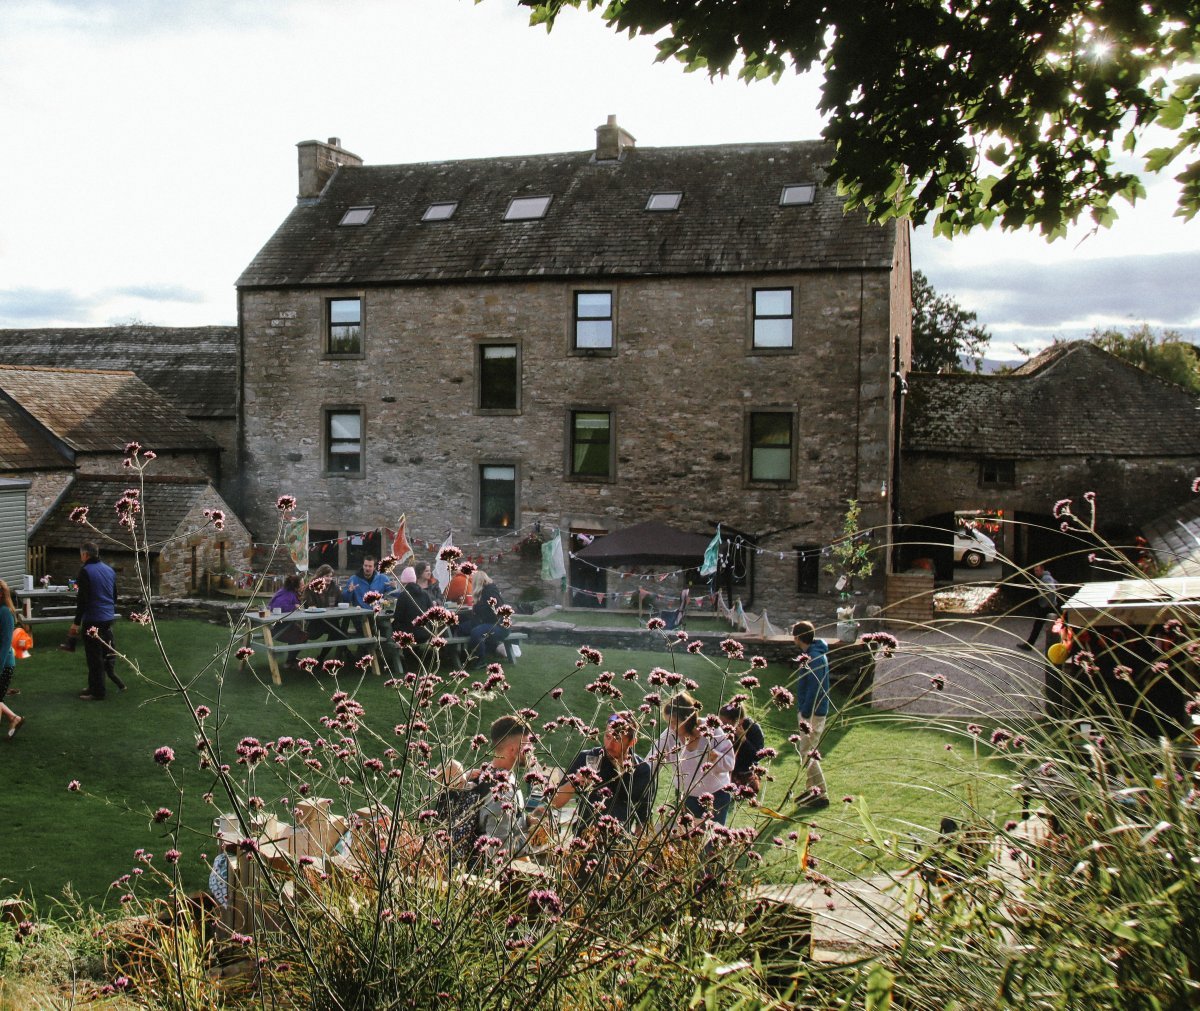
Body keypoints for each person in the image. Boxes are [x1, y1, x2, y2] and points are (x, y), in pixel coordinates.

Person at [550, 711, 656, 830]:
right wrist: (573, 783)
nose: (609, 745)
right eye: (607, 736)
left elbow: (643, 819)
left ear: (632, 742)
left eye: (617, 739)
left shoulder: (642, 770)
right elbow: (555, 803)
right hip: (583, 839)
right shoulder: (589, 758)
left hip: (619, 843)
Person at [648, 692, 735, 825]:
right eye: (668, 722)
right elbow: (651, 761)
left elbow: (730, 764)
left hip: (716, 795)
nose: (671, 727)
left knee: (710, 840)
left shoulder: (711, 730)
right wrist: (641, 778)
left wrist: (716, 757)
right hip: (686, 797)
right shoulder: (669, 735)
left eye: (673, 722)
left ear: (687, 718)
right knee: (686, 840)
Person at [473, 715, 534, 858]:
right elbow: (498, 851)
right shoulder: (502, 794)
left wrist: (528, 821)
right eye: (528, 744)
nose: (532, 749)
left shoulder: (487, 773)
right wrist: (534, 837)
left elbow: (510, 825)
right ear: (513, 750)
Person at [72, 541, 123, 701]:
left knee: (94, 656)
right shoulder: (109, 570)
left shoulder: (85, 571)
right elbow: (114, 595)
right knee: (101, 652)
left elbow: (83, 600)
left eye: (81, 554)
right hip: (108, 617)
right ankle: (94, 685)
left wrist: (76, 622)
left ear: (85, 555)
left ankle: (98, 692)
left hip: (93, 618)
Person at [792, 620, 830, 808]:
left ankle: (821, 793)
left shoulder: (814, 658)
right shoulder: (811, 655)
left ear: (798, 637)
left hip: (813, 713)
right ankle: (810, 790)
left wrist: (805, 713)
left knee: (808, 753)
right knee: (805, 751)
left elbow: (815, 688)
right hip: (810, 711)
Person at [342, 554, 401, 672]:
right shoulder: (354, 579)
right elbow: (345, 599)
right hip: (361, 617)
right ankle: (377, 657)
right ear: (362, 565)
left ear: (374, 567)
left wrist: (395, 587)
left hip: (378, 614)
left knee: (385, 624)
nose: (367, 568)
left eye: (370, 566)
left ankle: (392, 649)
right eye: (365, 565)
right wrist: (349, 591)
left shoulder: (383, 578)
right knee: (373, 631)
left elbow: (393, 596)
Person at [718, 702, 766, 798]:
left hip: (744, 769)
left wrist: (743, 740)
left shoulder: (753, 728)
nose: (722, 726)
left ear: (738, 720)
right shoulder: (721, 729)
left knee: (743, 788)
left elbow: (757, 756)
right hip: (725, 766)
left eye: (725, 723)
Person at [465, 571, 509, 666]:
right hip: (490, 622)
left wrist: (477, 608)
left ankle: (480, 660)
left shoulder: (490, 592)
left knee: (476, 632)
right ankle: (463, 655)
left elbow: (495, 613)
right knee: (462, 627)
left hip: (500, 626)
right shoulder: (485, 592)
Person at [0, 579, 25, 737]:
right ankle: (14, 718)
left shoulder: (4, 612)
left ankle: (14, 718)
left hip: (4, 664)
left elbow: (5, 644)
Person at [268, 574, 307, 667]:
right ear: (295, 586)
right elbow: (276, 607)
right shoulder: (287, 594)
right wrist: (294, 607)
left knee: (301, 634)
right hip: (277, 628)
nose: (303, 586)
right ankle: (290, 661)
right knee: (301, 635)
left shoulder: (290, 592)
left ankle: (291, 660)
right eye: (302, 584)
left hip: (286, 626)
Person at [1024, 562, 1061, 650]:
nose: (1036, 573)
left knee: (1038, 626)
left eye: (1037, 570)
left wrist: (1049, 603)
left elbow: (1052, 590)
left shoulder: (1045, 578)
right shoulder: (1047, 577)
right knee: (1040, 625)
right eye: (1035, 571)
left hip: (1046, 606)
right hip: (1049, 605)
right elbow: (1057, 585)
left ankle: (1029, 645)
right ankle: (1029, 644)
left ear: (1042, 570)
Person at [392, 566, 434, 644]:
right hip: (426, 634)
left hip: (409, 635)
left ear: (403, 582)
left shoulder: (403, 596)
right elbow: (432, 613)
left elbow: (398, 617)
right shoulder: (425, 594)